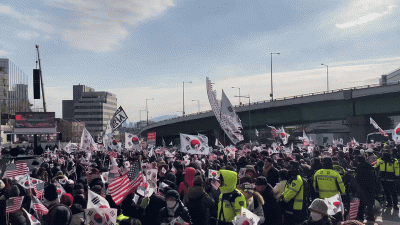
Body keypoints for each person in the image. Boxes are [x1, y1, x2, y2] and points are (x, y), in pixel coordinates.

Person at [281, 161, 305, 225]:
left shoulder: (297, 179)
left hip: (294, 206)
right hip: (290, 204)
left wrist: (284, 200)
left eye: (289, 168)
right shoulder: (292, 178)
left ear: (294, 168)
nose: (288, 170)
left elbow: (292, 192)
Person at [354, 155, 376, 222]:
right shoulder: (369, 166)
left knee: (361, 203)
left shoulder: (359, 167)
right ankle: (370, 216)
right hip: (371, 186)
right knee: (370, 202)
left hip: (362, 187)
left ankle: (360, 217)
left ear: (359, 161)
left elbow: (357, 178)